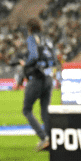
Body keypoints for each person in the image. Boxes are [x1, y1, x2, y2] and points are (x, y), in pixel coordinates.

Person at [19, 18, 57, 151]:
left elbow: (33, 56)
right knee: (45, 110)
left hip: (37, 77)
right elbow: (55, 59)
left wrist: (26, 64)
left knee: (27, 109)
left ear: (29, 28)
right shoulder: (48, 39)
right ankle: (50, 140)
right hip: (49, 77)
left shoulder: (31, 38)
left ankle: (43, 138)